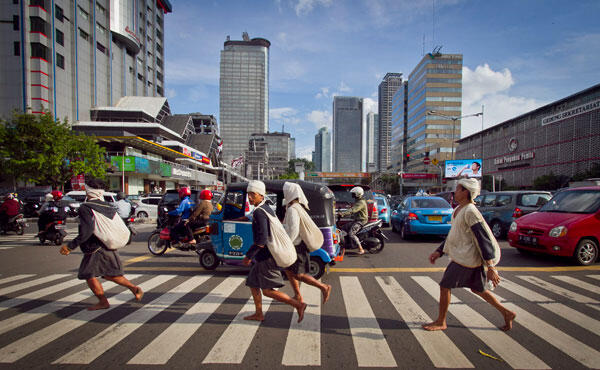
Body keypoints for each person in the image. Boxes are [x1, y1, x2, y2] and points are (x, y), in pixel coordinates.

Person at [422, 178, 516, 332]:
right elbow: (454, 235)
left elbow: (483, 239)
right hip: (467, 258)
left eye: (458, 189)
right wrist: (439, 251)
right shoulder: (459, 209)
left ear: (466, 192)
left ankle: (441, 322)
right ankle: (507, 313)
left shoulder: (471, 211)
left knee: (445, 285)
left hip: (467, 259)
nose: (455, 192)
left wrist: (491, 267)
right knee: (478, 289)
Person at [59, 178, 142, 310]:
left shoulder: (86, 208)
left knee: (88, 274)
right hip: (108, 245)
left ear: (89, 192)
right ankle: (134, 288)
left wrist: (70, 246)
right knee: (110, 274)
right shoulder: (108, 206)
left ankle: (103, 301)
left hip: (95, 248)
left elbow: (87, 231)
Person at [242, 180, 307, 323]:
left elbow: (262, 239)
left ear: (261, 195)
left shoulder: (260, 212)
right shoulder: (265, 208)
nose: (250, 197)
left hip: (266, 257)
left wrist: (248, 256)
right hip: (262, 257)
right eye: (248, 194)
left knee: (267, 291)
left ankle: (298, 304)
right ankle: (259, 314)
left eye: (253, 194)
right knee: (252, 284)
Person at [282, 182, 332, 304]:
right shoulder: (297, 207)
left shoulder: (293, 209)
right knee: (289, 271)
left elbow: (294, 231)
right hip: (295, 245)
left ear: (290, 193)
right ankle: (298, 296)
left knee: (299, 274)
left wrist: (285, 243)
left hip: (296, 246)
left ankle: (324, 287)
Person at [338, 186, 367, 255]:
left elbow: (353, 210)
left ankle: (361, 248)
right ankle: (344, 246)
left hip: (361, 221)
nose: (352, 195)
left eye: (353, 194)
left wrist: (343, 214)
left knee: (351, 233)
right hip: (356, 220)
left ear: (358, 194)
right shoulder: (358, 201)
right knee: (343, 228)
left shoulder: (361, 202)